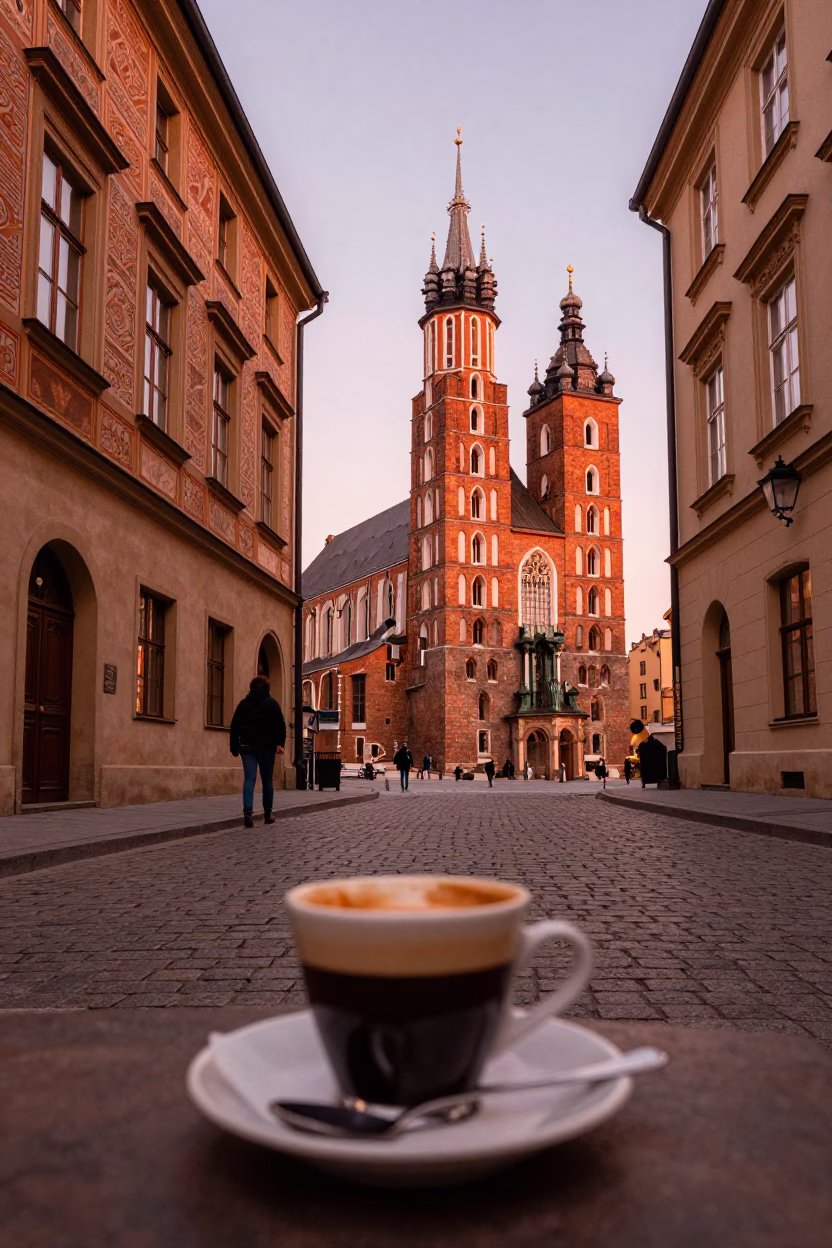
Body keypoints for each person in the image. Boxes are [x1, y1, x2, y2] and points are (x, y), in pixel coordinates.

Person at [230, 676, 286, 828]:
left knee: (249, 779)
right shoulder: (272, 704)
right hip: (266, 747)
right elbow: (280, 725)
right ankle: (268, 813)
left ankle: (248, 813)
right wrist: (280, 743)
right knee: (267, 780)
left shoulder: (244, 704)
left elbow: (235, 725)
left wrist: (234, 746)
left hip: (247, 747)